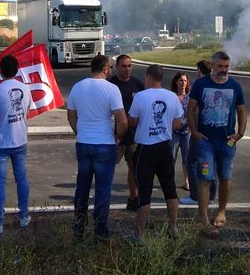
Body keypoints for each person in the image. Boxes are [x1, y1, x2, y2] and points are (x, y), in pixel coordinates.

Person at [67, 55, 127, 242]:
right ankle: (100, 230)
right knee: (102, 189)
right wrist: (118, 136)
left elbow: (71, 116)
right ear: (107, 69)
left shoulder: (77, 87)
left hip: (84, 142)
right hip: (104, 143)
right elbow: (122, 119)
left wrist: (79, 131)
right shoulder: (111, 89)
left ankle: (79, 226)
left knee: (82, 186)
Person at [187, 51, 247, 236]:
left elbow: (242, 111)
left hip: (227, 141)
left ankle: (221, 211)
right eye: (220, 66)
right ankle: (204, 218)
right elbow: (191, 109)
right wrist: (195, 132)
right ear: (212, 66)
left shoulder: (235, 86)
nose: (223, 70)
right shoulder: (201, 84)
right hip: (206, 141)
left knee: (226, 177)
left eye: (226, 66)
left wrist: (240, 134)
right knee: (205, 178)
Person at [127, 64, 183, 243]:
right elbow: (177, 124)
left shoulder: (141, 96)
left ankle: (139, 234)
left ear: (148, 77)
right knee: (170, 188)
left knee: (144, 192)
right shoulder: (172, 96)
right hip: (165, 147)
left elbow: (132, 121)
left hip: (146, 148)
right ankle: (174, 227)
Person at [0, 56, 32, 234]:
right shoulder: (25, 88)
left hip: (1, 141)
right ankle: (24, 216)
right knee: (21, 178)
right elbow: (26, 111)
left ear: (0, 71)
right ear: (17, 69)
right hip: (20, 139)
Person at [108, 54, 144, 211]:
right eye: (124, 66)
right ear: (117, 67)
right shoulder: (110, 85)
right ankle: (104, 197)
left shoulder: (138, 84)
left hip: (133, 136)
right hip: (113, 136)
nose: (127, 69)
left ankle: (133, 197)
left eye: (129, 66)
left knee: (133, 168)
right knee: (107, 168)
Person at [180, 60, 216, 206]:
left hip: (199, 130)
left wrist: (190, 126)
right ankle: (211, 196)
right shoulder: (216, 83)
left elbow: (190, 107)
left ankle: (195, 195)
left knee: (192, 162)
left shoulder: (199, 84)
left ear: (200, 70)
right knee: (210, 163)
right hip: (214, 128)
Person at [169, 71, 190, 191]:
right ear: (176, 82)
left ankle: (187, 181)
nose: (183, 83)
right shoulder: (171, 96)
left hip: (187, 131)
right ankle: (169, 181)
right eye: (181, 80)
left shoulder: (190, 96)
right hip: (174, 131)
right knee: (171, 156)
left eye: (185, 81)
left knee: (187, 158)